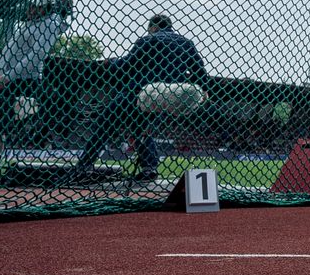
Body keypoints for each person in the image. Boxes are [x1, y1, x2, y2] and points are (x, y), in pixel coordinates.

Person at [66, 14, 206, 183]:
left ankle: (84, 166)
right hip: (165, 97)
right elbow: (199, 71)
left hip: (140, 92)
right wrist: (203, 90)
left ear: (153, 27)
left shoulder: (148, 40)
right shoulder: (186, 43)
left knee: (104, 123)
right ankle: (150, 167)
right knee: (140, 129)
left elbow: (128, 65)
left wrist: (110, 62)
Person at [0, 0, 71, 181]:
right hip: (7, 78)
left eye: (35, 7)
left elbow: (36, 56)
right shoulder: (31, 23)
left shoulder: (49, 24)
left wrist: (7, 77)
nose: (30, 9)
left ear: (45, 9)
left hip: (19, 80)